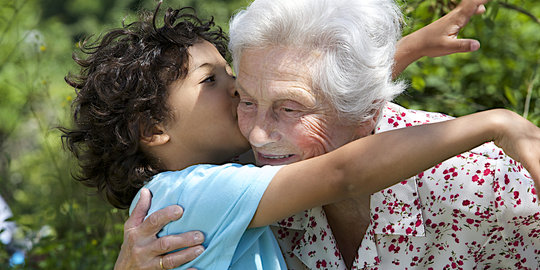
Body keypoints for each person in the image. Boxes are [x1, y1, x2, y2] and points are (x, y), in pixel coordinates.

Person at [115, 0, 540, 269]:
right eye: (245, 99)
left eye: (287, 109)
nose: (259, 134)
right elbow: (333, 142)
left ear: (365, 108)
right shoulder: (235, 173)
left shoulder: (481, 183)